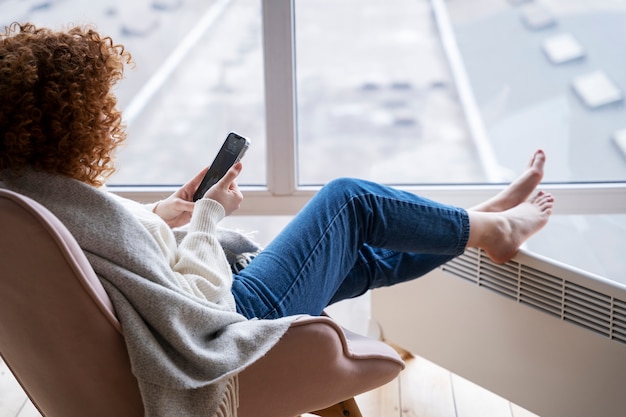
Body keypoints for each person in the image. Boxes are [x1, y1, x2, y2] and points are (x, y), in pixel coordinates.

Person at [0, 22, 554, 416]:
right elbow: (195, 300)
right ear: (69, 119)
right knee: (349, 200)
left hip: (192, 316)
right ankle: (492, 230)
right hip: (223, 324)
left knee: (355, 256)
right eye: (100, 107)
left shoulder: (27, 196)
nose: (109, 116)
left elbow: (119, 258)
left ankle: (474, 225)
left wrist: (169, 211)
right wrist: (209, 215)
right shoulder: (60, 202)